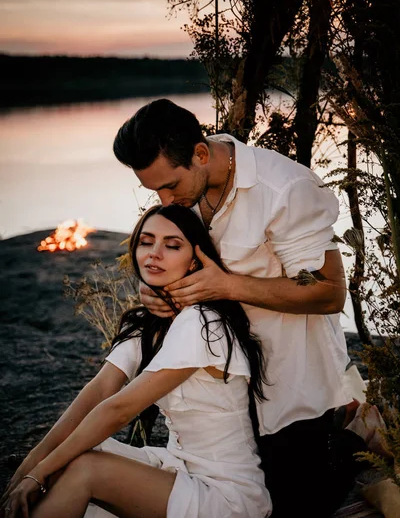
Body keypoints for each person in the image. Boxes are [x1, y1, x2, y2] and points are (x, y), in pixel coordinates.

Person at [112, 98, 371, 517]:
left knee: (295, 506)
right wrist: (158, 293)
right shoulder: (183, 193)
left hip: (290, 393)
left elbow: (328, 293)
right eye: (154, 190)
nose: (164, 200)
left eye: (171, 186)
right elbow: (177, 262)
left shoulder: (285, 190)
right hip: (221, 398)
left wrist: (227, 286)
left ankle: (351, 439)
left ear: (200, 154)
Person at [1, 204, 272, 518]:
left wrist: (38, 474)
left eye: (172, 246)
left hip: (226, 495)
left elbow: (118, 409)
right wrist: (27, 469)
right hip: (178, 469)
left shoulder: (201, 322)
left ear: (195, 259)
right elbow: (100, 391)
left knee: (85, 468)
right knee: (71, 457)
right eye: (146, 242)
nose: (155, 253)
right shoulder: (150, 322)